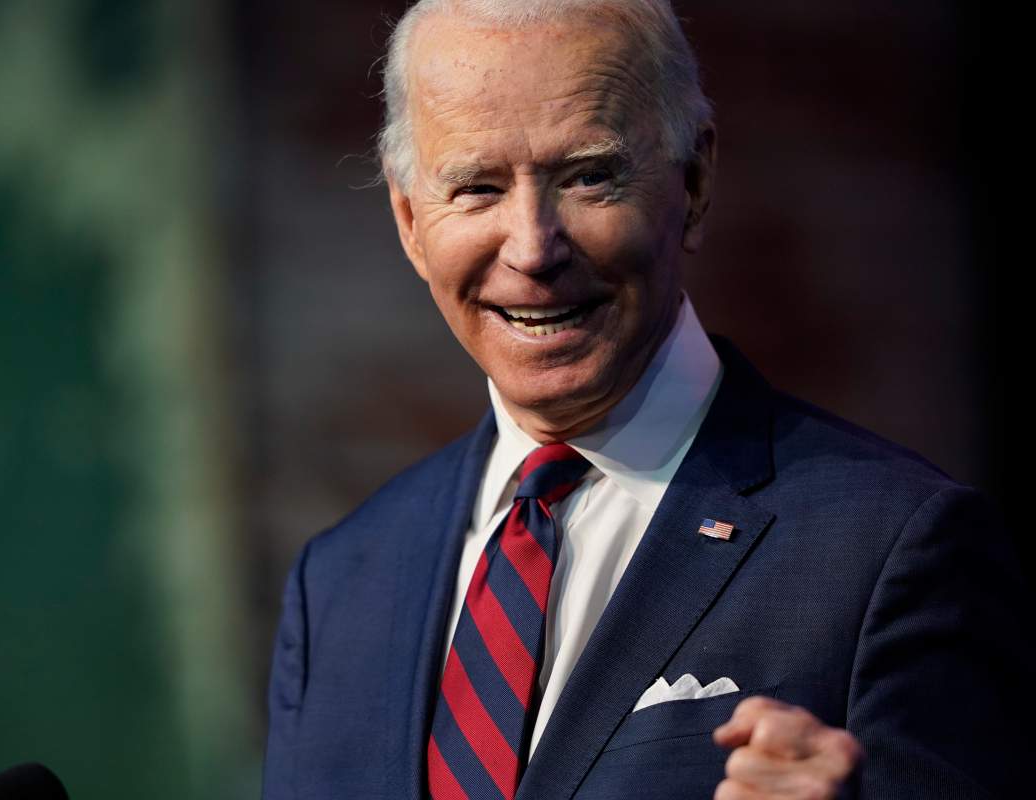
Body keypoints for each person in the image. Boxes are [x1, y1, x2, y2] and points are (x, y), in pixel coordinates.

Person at [262, 1, 1029, 798]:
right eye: (478, 187)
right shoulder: (340, 583)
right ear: (411, 221)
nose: (532, 249)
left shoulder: (891, 551)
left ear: (693, 184)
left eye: (589, 175)